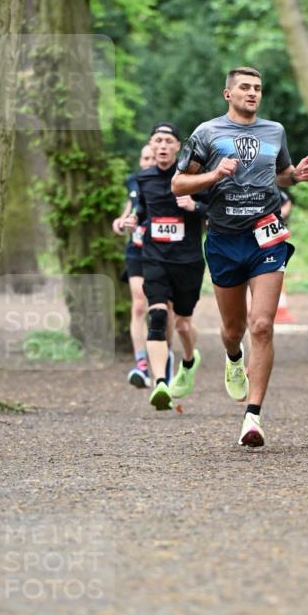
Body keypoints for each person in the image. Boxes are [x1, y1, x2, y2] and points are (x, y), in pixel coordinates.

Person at [171, 66, 308, 447]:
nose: (253, 94)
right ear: (228, 94)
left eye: (257, 88)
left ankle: (252, 417)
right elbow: (178, 183)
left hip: (266, 235)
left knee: (263, 325)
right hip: (223, 238)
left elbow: (279, 174)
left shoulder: (275, 131)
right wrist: (214, 175)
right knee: (234, 330)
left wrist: (296, 176)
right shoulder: (206, 133)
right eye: (245, 88)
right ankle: (233, 357)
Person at [124, 122, 208, 411]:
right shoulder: (142, 180)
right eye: (157, 140)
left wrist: (194, 207)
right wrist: (132, 220)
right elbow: (140, 212)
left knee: (183, 323)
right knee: (157, 316)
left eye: (168, 140)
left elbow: (216, 213)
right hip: (154, 258)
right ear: (151, 146)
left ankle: (189, 359)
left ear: (177, 147)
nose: (162, 145)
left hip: (188, 261)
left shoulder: (195, 178)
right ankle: (160, 382)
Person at [112, 143, 162, 388]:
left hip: (164, 252)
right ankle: (141, 364)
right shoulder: (134, 182)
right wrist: (121, 223)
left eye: (153, 157)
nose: (149, 162)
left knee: (164, 309)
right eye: (145, 158)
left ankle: (164, 361)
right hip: (137, 251)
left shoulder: (168, 182)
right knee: (139, 306)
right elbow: (129, 212)